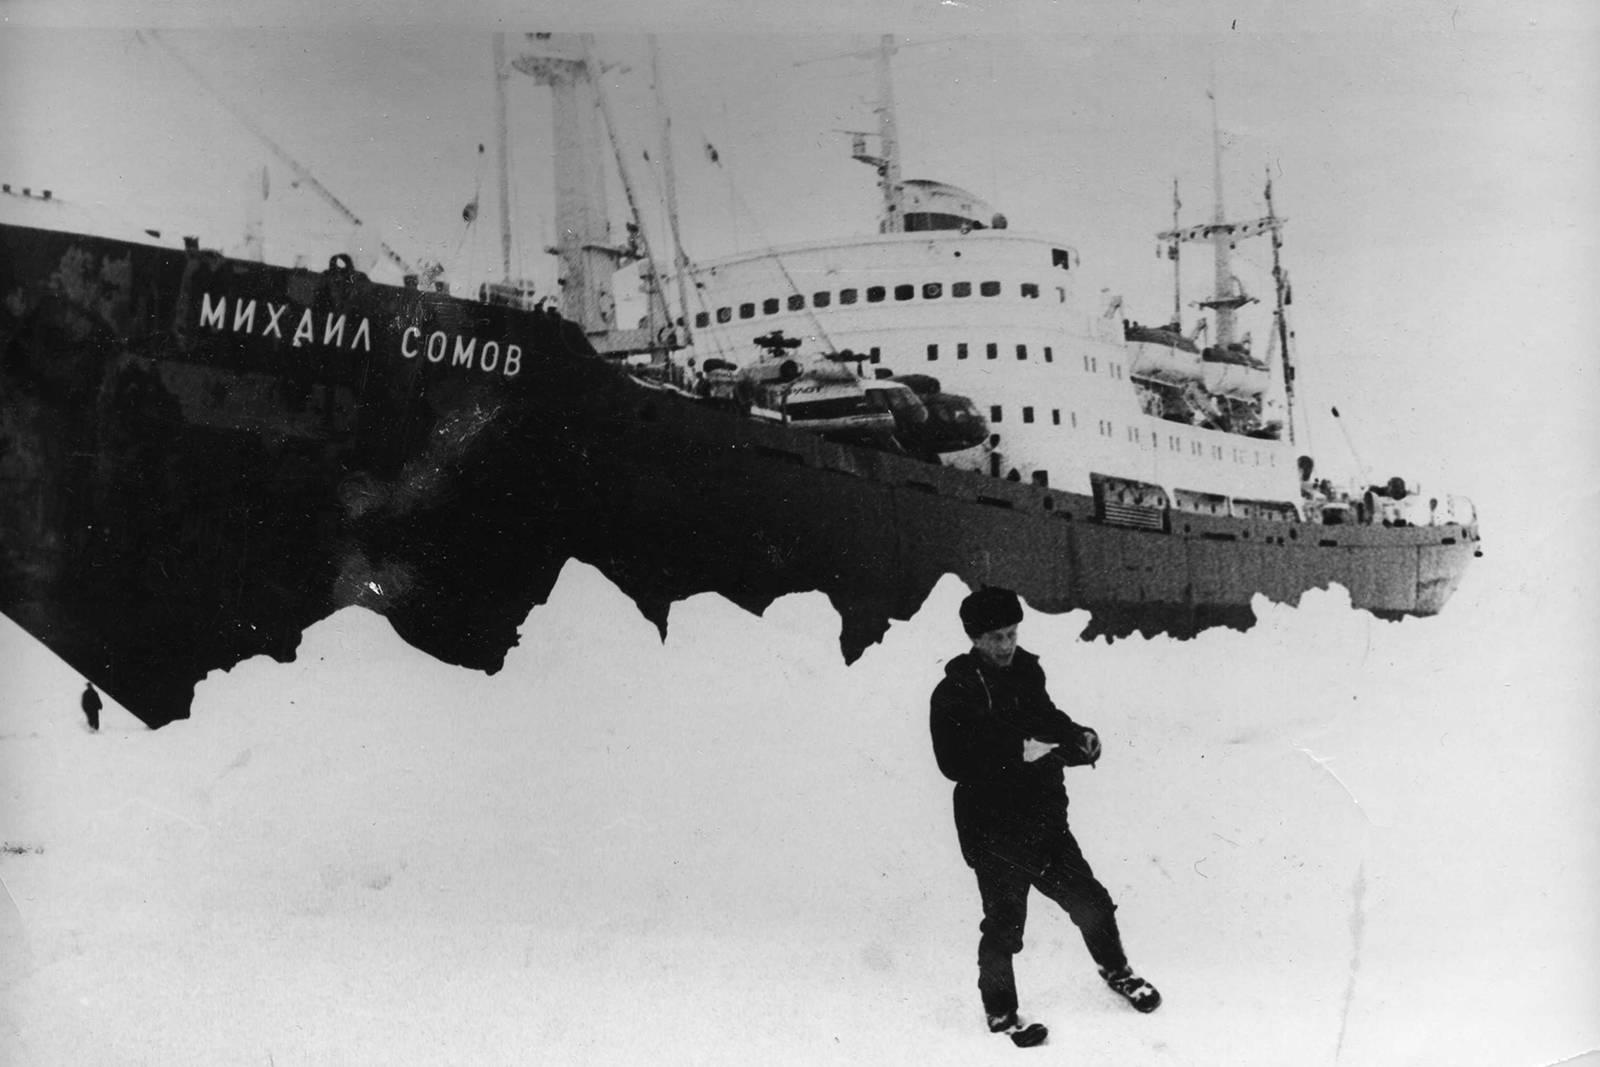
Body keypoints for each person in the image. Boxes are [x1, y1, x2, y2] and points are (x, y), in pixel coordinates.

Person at [930, 587, 1159, 1044]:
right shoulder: (954, 691)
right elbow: (952, 763)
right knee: (1004, 925)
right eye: (996, 637)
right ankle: (1001, 1014)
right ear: (974, 638)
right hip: (993, 829)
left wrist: (1077, 735)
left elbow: (1046, 718)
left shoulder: (1026, 671)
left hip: (1043, 818)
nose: (1006, 645)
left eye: (1012, 633)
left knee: (1091, 901)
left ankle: (1117, 972)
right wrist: (1018, 752)